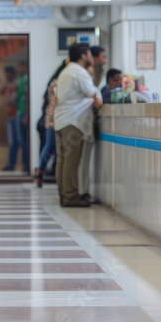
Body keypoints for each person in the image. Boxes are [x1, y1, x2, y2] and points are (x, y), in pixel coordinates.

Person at [54, 43, 101, 207]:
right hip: (72, 122)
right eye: (90, 54)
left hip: (61, 121)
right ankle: (71, 197)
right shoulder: (79, 72)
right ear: (83, 56)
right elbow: (94, 96)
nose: (91, 57)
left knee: (62, 161)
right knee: (71, 162)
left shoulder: (66, 71)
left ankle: (64, 195)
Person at [34, 62, 68, 186]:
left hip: (52, 119)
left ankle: (41, 172)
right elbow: (57, 103)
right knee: (50, 146)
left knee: (51, 147)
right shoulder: (57, 84)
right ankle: (40, 171)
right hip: (54, 120)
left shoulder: (54, 83)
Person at [0, 65, 20, 171]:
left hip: (15, 115)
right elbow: (1, 93)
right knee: (12, 142)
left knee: (16, 141)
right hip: (9, 115)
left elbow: (14, 100)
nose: (6, 76)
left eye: (8, 74)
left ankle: (14, 164)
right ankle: (11, 164)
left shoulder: (16, 84)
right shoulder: (7, 85)